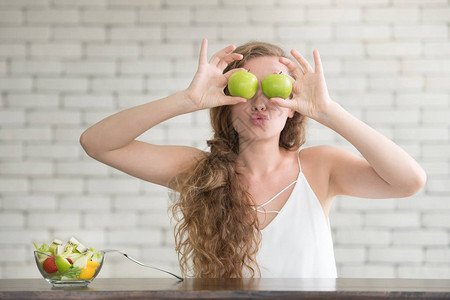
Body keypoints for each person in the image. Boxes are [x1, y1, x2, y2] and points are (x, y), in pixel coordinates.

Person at [80, 38, 426, 279]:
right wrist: (186, 99)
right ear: (226, 104)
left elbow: (409, 181)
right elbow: (97, 143)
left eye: (275, 88)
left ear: (293, 107)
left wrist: (330, 111)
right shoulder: (200, 171)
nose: (260, 102)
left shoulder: (320, 167)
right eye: (247, 89)